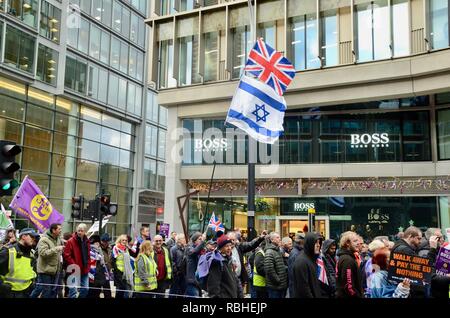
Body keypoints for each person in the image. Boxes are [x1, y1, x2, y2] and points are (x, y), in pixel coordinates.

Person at [0, 228, 38, 298]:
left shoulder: (32, 254)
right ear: (23, 237)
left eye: (34, 237)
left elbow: (32, 271)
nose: (34, 239)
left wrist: (32, 283)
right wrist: (1, 286)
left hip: (26, 293)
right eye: (31, 237)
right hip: (9, 293)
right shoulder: (8, 251)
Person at [30, 223, 64, 298]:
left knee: (52, 291)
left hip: (55, 270)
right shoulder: (44, 240)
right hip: (45, 270)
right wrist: (57, 249)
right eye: (59, 229)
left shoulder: (58, 239)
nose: (61, 231)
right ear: (53, 230)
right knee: (46, 291)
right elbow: (43, 253)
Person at [291, 233, 324, 298]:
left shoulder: (311, 258)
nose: (318, 245)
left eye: (319, 243)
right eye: (316, 243)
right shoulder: (301, 262)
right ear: (309, 244)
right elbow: (303, 288)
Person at [63, 223, 90, 298]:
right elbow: (66, 255)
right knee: (73, 291)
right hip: (73, 269)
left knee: (86, 288)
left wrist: (88, 265)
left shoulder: (87, 241)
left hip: (84, 268)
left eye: (81, 231)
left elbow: (88, 255)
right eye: (78, 230)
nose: (79, 232)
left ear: (85, 232)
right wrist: (74, 265)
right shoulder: (70, 241)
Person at [336, 231, 364, 298]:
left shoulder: (348, 257)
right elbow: (349, 286)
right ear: (347, 243)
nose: (358, 243)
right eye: (355, 241)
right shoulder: (347, 260)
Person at [264, 232, 288, 298]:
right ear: (272, 240)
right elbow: (269, 269)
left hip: (281, 285)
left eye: (279, 237)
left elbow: (280, 265)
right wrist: (278, 280)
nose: (279, 239)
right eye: (277, 237)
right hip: (275, 287)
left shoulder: (277, 250)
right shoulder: (269, 252)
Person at [112, 234, 135, 298]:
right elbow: (113, 260)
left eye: (126, 240)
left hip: (126, 272)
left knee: (125, 289)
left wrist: (128, 247)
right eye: (123, 240)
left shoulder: (126, 248)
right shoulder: (116, 247)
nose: (124, 241)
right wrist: (116, 271)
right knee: (120, 290)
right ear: (120, 240)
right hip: (118, 272)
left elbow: (134, 253)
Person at [185, 232, 206, 297]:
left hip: (199, 281)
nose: (201, 240)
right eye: (199, 239)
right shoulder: (189, 248)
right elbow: (194, 252)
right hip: (192, 281)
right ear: (194, 241)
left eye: (201, 239)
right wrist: (203, 242)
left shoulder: (201, 250)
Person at [169, 233, 187, 298]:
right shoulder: (173, 249)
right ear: (179, 240)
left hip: (183, 273)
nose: (185, 240)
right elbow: (172, 260)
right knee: (174, 290)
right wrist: (176, 271)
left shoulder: (185, 248)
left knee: (182, 291)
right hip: (176, 274)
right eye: (184, 238)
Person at [287, 232, 305, 297]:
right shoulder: (295, 253)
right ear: (301, 241)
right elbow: (293, 273)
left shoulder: (298, 251)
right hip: (295, 287)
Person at [99, 233, 112, 298]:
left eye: (107, 241)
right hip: (100, 272)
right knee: (97, 290)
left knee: (107, 291)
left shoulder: (109, 248)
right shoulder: (98, 249)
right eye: (104, 241)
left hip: (107, 271)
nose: (105, 243)